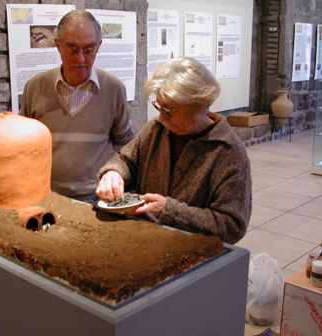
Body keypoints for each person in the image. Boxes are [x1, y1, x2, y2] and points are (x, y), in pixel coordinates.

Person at [96, 57, 251, 244]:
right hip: (145, 243)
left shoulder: (228, 153)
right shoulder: (156, 130)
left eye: (169, 110)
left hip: (193, 256)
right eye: (159, 106)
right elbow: (126, 161)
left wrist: (169, 211)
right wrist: (114, 173)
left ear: (199, 106)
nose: (161, 117)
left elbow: (232, 226)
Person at [20, 10, 134, 202]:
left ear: (98, 47)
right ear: (58, 45)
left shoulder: (114, 89)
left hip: (96, 200)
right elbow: (22, 145)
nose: (80, 59)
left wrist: (116, 175)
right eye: (72, 48)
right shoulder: (35, 87)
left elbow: (127, 148)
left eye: (88, 49)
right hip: (46, 197)